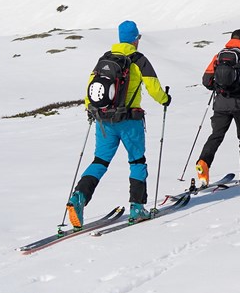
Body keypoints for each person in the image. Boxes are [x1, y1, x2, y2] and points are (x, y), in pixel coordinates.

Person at [67, 20, 171, 227]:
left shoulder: (104, 59)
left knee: (100, 161)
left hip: (103, 120)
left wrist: (91, 110)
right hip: (129, 121)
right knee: (137, 161)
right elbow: (153, 87)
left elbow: (91, 88)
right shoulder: (138, 59)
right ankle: (137, 207)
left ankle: (78, 197)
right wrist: (165, 100)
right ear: (135, 39)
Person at [196, 29, 240, 186]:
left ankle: (203, 163)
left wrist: (219, 89)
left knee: (216, 136)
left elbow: (206, 80)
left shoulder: (218, 57)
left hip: (220, 104)